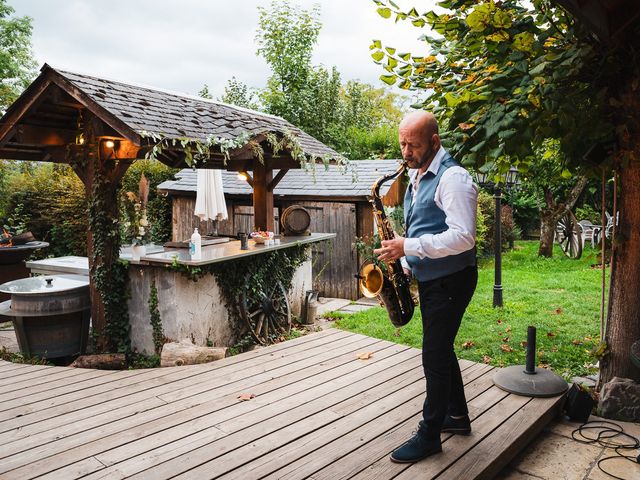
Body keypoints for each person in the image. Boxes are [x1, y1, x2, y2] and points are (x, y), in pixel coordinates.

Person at [374, 110, 478, 464]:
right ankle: (457, 416)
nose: (405, 151)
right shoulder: (418, 173)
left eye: (413, 145)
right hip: (433, 277)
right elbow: (421, 228)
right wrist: (402, 262)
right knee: (442, 348)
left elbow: (463, 237)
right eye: (402, 143)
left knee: (433, 355)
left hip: (452, 279)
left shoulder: (454, 179)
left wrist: (409, 247)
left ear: (434, 141)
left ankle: (430, 434)